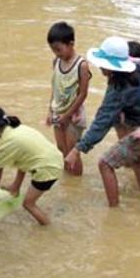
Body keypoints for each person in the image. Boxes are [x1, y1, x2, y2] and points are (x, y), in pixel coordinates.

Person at [65, 36, 140, 207]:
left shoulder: (119, 89)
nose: (100, 67)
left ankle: (114, 211)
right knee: (135, 157)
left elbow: (102, 121)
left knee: (105, 164)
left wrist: (78, 149)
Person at [0, 106, 63, 225]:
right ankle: (15, 188)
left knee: (28, 204)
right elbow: (22, 160)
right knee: (21, 158)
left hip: (48, 170)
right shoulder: (18, 127)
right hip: (56, 159)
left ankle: (47, 228)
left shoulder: (6, 144)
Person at [46, 22, 91, 176]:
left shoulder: (82, 65)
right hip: (58, 111)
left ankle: (76, 179)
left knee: (73, 150)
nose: (56, 53)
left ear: (71, 44)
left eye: (58, 49)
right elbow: (55, 87)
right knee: (61, 148)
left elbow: (83, 94)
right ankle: (68, 181)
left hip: (74, 115)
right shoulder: (56, 62)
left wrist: (67, 116)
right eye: (53, 50)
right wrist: (50, 110)